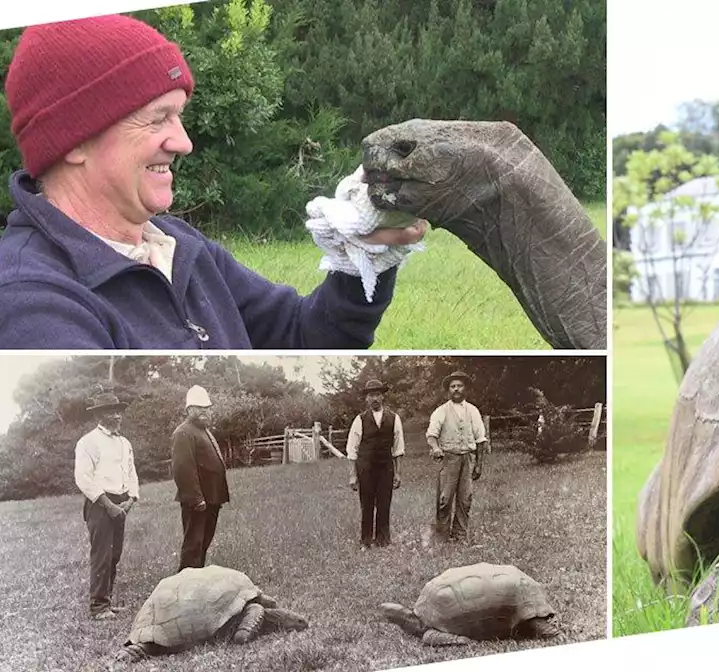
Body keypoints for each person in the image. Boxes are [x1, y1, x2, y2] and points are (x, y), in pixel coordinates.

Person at [0, 13, 425, 349]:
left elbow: (301, 337)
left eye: (179, 115)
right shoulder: (32, 302)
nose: (183, 142)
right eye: (157, 119)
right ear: (75, 139)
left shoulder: (177, 245)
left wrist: (362, 258)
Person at [73, 392, 139, 620]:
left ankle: (107, 600)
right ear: (99, 415)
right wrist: (108, 504)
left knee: (115, 554)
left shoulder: (124, 442)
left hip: (120, 502)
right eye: (111, 411)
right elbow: (83, 478)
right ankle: (98, 606)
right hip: (99, 504)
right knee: (101, 554)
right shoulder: (88, 442)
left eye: (119, 411)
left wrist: (131, 499)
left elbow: (131, 473)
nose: (117, 415)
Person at [170, 385, 229, 571]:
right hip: (198, 501)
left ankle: (197, 583)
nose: (204, 411)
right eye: (199, 407)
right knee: (193, 546)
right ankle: (185, 586)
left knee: (203, 544)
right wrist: (196, 499)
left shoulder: (203, 430)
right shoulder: (183, 432)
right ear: (189, 409)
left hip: (211, 497)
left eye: (207, 408)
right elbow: (182, 469)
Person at [426, 371, 489, 543]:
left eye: (459, 386)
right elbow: (431, 435)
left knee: (465, 499)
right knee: (444, 499)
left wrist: (479, 465)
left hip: (467, 459)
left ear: (465, 388)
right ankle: (442, 536)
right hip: (449, 459)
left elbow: (481, 440)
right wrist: (436, 448)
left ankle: (460, 536)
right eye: (452, 386)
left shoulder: (473, 411)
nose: (456, 389)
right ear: (448, 390)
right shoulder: (441, 411)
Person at [345, 379, 404, 548]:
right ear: (366, 399)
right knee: (367, 504)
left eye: (378, 394)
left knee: (384, 504)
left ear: (383, 396)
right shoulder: (360, 419)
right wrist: (352, 475)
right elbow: (352, 449)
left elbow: (399, 448)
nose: (375, 398)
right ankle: (366, 541)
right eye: (371, 395)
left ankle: (383, 540)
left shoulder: (394, 418)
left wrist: (398, 473)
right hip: (366, 468)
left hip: (385, 467)